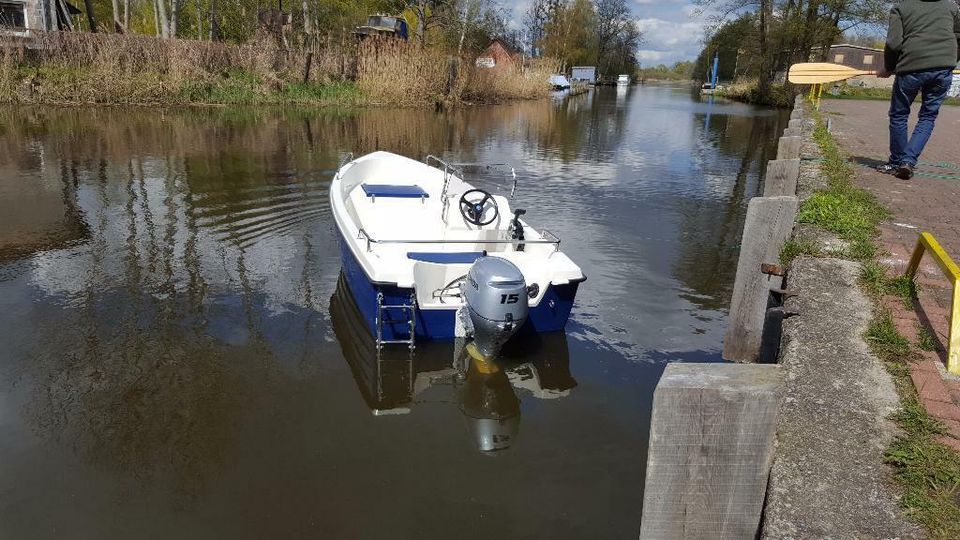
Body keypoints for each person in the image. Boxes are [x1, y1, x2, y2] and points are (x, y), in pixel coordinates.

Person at [876, 0, 960, 180]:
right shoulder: (952, 7)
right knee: (928, 117)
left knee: (899, 115)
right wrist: (949, 59)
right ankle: (908, 161)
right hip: (943, 68)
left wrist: (889, 67)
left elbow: (893, 44)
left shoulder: (900, 8)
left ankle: (897, 162)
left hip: (910, 68)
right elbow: (958, 36)